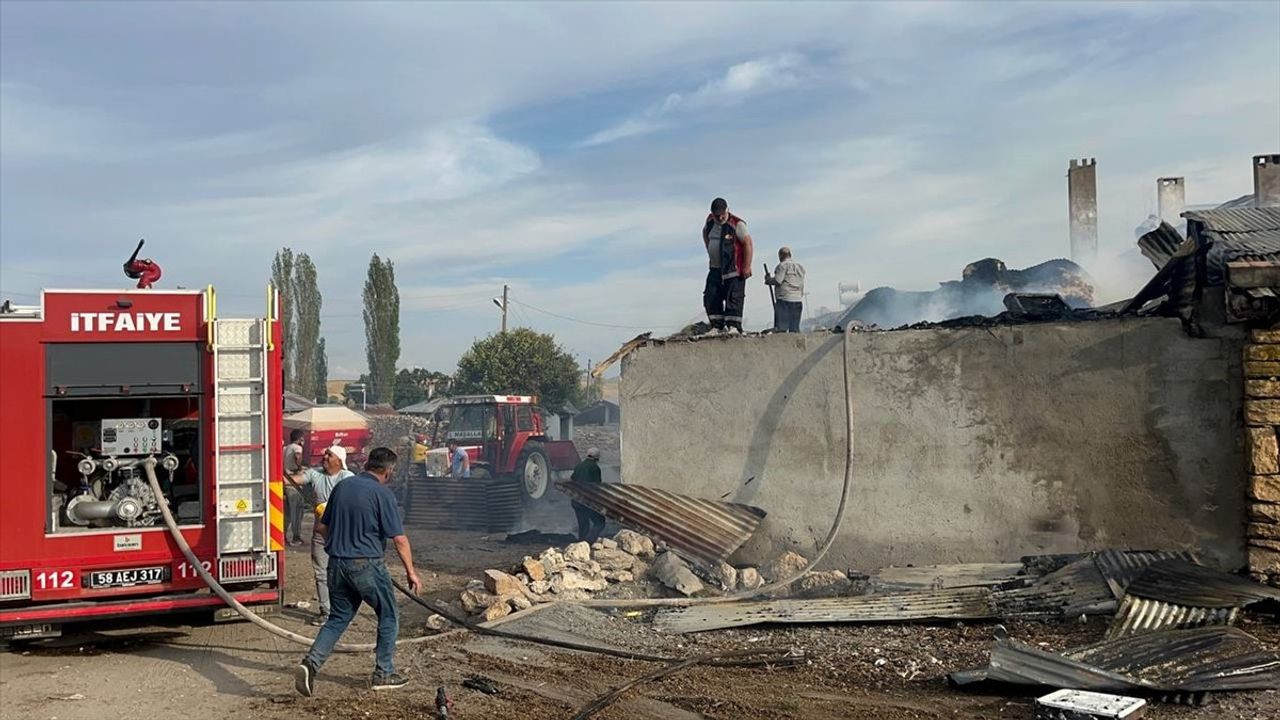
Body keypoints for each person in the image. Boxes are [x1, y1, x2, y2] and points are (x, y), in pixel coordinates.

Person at [294, 447, 422, 697]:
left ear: (368, 464)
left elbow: (321, 527)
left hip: (336, 564)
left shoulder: (343, 486)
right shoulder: (382, 494)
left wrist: (340, 545)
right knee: (388, 614)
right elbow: (400, 539)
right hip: (366, 564)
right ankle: (384, 673)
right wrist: (411, 573)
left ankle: (311, 664)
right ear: (389, 471)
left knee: (337, 618)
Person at [285, 445, 354, 626]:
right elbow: (295, 480)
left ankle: (343, 607)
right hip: (320, 533)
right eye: (325, 453)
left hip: (341, 533)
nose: (324, 456)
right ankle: (326, 610)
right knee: (321, 573)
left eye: (329, 454)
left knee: (344, 571)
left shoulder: (347, 478)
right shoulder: (315, 474)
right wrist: (281, 476)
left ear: (339, 460)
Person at [702, 197, 754, 334]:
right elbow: (705, 235)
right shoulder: (709, 222)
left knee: (734, 297)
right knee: (711, 295)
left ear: (727, 210)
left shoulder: (737, 224)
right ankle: (717, 326)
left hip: (733, 269)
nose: (719, 218)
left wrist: (747, 266)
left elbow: (748, 243)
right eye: (716, 215)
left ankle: (733, 326)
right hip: (715, 269)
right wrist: (710, 253)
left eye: (722, 215)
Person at [765, 246, 806, 333]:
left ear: (780, 256)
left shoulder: (782, 266)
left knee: (781, 329)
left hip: (784, 301)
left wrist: (768, 280)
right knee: (794, 330)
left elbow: (777, 280)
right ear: (790, 255)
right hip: (797, 300)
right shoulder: (800, 267)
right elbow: (801, 284)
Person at [569, 447, 605, 543]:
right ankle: (589, 542)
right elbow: (596, 486)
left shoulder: (579, 466)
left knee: (583, 524)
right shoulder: (595, 468)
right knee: (600, 522)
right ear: (597, 458)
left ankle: (581, 544)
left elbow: (572, 479)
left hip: (576, 500)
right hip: (587, 500)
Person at [283, 429, 306, 545]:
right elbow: (298, 456)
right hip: (294, 481)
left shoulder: (285, 448)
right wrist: (300, 467)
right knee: (297, 511)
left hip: (285, 480)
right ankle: (296, 537)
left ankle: (283, 536)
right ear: (300, 439)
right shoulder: (297, 448)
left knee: (287, 512)